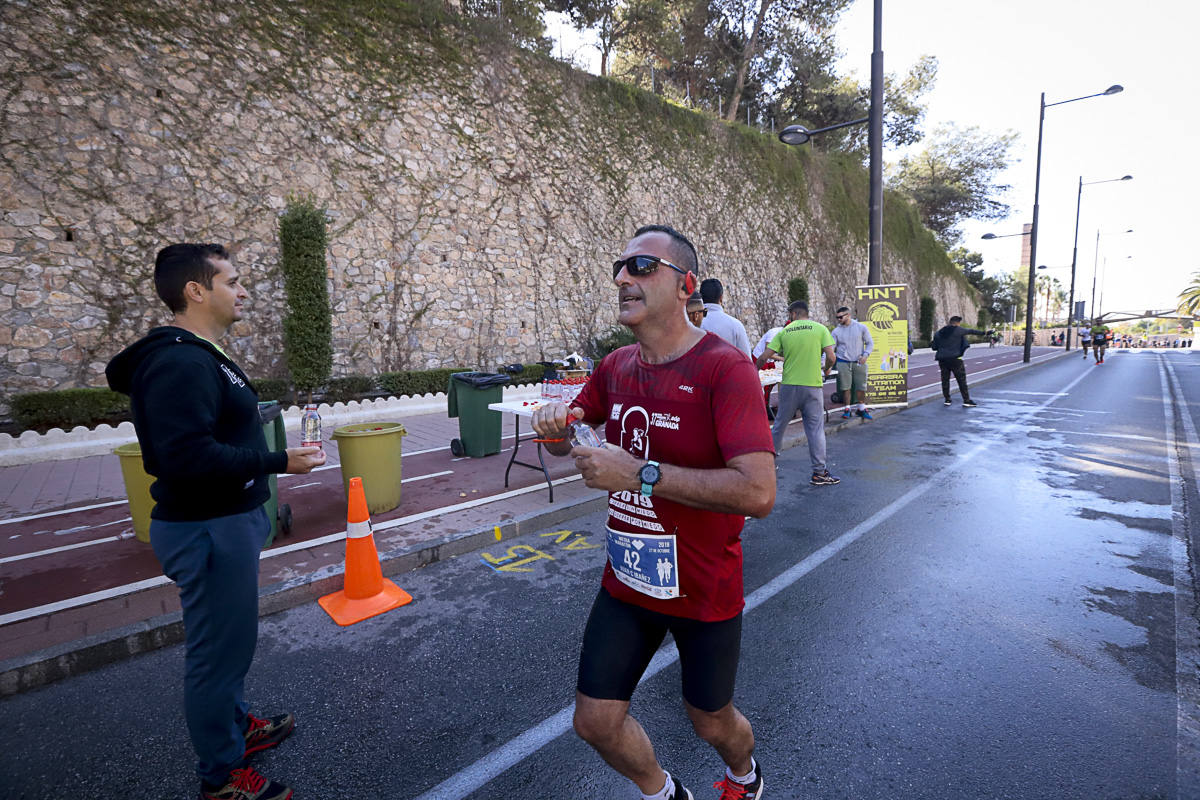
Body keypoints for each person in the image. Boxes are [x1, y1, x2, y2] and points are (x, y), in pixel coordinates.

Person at [531, 225, 775, 800]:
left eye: (641, 266)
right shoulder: (614, 366)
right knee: (594, 722)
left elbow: (759, 493)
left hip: (703, 586)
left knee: (711, 721)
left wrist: (641, 475)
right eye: (620, 267)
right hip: (630, 580)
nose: (622, 277)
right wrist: (554, 427)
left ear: (685, 284)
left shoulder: (725, 369)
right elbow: (573, 434)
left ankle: (745, 775)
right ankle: (665, 793)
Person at [106, 243, 326, 800]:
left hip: (227, 521)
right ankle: (222, 777)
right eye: (232, 280)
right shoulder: (180, 360)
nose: (243, 289)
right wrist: (279, 461)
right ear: (195, 291)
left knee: (231, 646)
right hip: (208, 528)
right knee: (217, 656)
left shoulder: (202, 354)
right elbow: (184, 456)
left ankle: (236, 727)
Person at [755, 300, 839, 485]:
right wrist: (826, 369)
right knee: (815, 429)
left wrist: (754, 372)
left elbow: (763, 356)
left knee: (779, 426)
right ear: (806, 313)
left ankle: (768, 465)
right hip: (812, 385)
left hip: (789, 386)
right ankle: (819, 472)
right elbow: (831, 357)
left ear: (793, 314)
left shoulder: (785, 331)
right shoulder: (820, 329)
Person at [931, 315, 987, 407]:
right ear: (957, 323)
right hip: (955, 359)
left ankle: (947, 399)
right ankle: (966, 400)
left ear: (950, 322)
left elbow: (934, 347)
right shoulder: (958, 330)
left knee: (945, 379)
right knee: (961, 380)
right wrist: (984, 333)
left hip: (942, 359)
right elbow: (971, 331)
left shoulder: (939, 332)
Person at [830, 306, 874, 421]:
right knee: (845, 387)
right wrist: (827, 362)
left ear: (848, 315)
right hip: (843, 362)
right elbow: (831, 348)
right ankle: (847, 409)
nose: (838, 319)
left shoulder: (861, 327)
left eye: (840, 317)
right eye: (837, 317)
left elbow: (870, 343)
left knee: (861, 386)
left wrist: (866, 355)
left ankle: (861, 408)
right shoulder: (836, 331)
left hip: (859, 361)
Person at [699, 277, 752, 358]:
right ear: (721, 297)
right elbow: (747, 359)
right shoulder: (736, 325)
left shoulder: (693, 325)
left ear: (701, 297)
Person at [751, 318, 785, 421]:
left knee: (772, 383)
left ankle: (766, 405)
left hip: (770, 360)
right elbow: (767, 351)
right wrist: (783, 359)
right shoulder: (774, 332)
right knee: (762, 384)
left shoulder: (785, 335)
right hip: (760, 357)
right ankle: (761, 409)